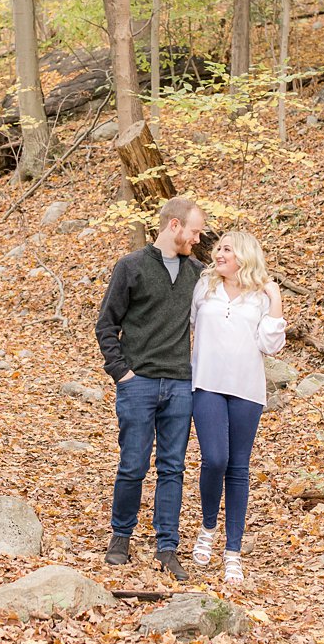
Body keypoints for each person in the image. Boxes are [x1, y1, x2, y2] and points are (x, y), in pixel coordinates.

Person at [95, 196, 208, 581]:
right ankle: (121, 535)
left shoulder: (197, 273)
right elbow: (106, 326)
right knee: (133, 465)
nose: (197, 239)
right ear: (173, 226)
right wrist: (122, 373)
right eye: (194, 231)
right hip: (138, 382)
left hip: (179, 384)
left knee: (172, 468)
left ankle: (167, 546)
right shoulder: (131, 267)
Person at [188, 230, 285, 584]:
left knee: (239, 468)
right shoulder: (205, 287)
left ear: (243, 255)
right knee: (215, 459)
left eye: (226, 249)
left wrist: (275, 298)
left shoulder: (260, 296)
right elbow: (191, 327)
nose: (218, 254)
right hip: (207, 384)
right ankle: (207, 529)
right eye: (217, 248)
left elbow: (271, 345)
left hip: (246, 390)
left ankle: (233, 552)